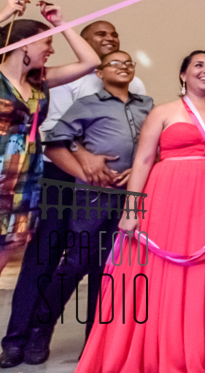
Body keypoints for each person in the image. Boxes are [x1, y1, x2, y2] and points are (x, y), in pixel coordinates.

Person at [75, 50, 205, 373]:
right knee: (157, 273)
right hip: (166, 199)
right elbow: (142, 161)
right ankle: (155, 349)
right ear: (183, 74)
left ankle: (194, 352)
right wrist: (131, 209)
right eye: (198, 65)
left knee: (202, 275)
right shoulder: (163, 112)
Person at [24, 50, 155, 360]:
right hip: (93, 197)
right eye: (115, 63)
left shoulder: (148, 106)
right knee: (75, 263)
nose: (124, 67)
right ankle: (40, 331)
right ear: (99, 73)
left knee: (111, 270)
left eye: (128, 63)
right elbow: (54, 140)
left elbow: (158, 146)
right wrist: (86, 163)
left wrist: (139, 169)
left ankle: (95, 343)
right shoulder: (87, 104)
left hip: (133, 197)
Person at [0, 0, 98, 338]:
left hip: (22, 188)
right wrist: (5, 15)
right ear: (23, 45)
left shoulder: (41, 82)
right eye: (46, 42)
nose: (51, 49)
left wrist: (61, 23)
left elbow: (91, 62)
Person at [43, 21, 147, 135]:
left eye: (114, 35)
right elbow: (56, 130)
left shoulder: (135, 82)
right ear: (83, 42)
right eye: (101, 34)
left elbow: (142, 124)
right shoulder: (65, 80)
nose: (110, 38)